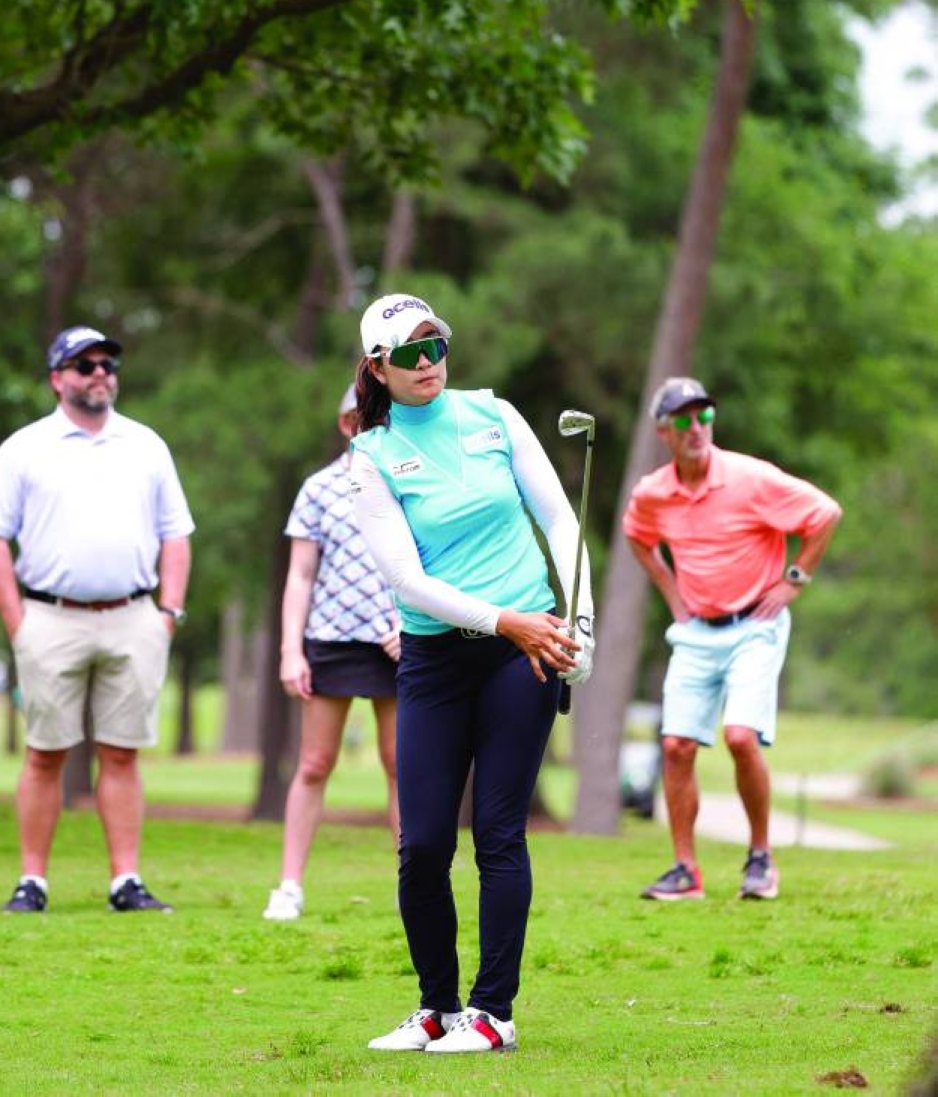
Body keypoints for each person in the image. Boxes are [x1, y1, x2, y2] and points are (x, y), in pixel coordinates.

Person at [350, 292, 595, 1055]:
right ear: (378, 369)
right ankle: (436, 1007)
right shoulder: (372, 457)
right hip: (436, 658)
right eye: (411, 354)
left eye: (437, 346)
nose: (429, 364)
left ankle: (493, 1013)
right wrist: (506, 618)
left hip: (521, 653)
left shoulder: (494, 414)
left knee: (496, 831)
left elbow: (559, 519)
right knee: (422, 841)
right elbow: (408, 581)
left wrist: (577, 621)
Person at [0, 325, 194, 914]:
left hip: (133, 616)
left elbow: (176, 533)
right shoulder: (25, 447)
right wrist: (16, 621)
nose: (100, 373)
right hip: (50, 618)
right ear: (57, 378)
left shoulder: (146, 444)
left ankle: (125, 880)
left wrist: (167, 611)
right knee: (46, 753)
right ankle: (32, 882)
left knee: (121, 752)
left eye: (107, 363)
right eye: (84, 364)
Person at [623, 376, 842, 903]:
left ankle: (761, 858)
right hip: (697, 630)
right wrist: (672, 594)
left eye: (704, 417)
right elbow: (637, 535)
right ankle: (685, 870)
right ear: (663, 431)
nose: (696, 428)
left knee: (740, 737)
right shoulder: (653, 492)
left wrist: (793, 582)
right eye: (683, 419)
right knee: (675, 746)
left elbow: (824, 514)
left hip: (755, 627)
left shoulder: (750, 478)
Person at [263, 385, 401, 923]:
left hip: (398, 640)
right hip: (332, 637)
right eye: (360, 418)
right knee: (315, 763)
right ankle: (289, 885)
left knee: (402, 766)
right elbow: (300, 576)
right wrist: (289, 651)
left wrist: (416, 627)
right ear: (345, 424)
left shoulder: (410, 483)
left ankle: (411, 884)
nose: (368, 427)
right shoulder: (319, 488)